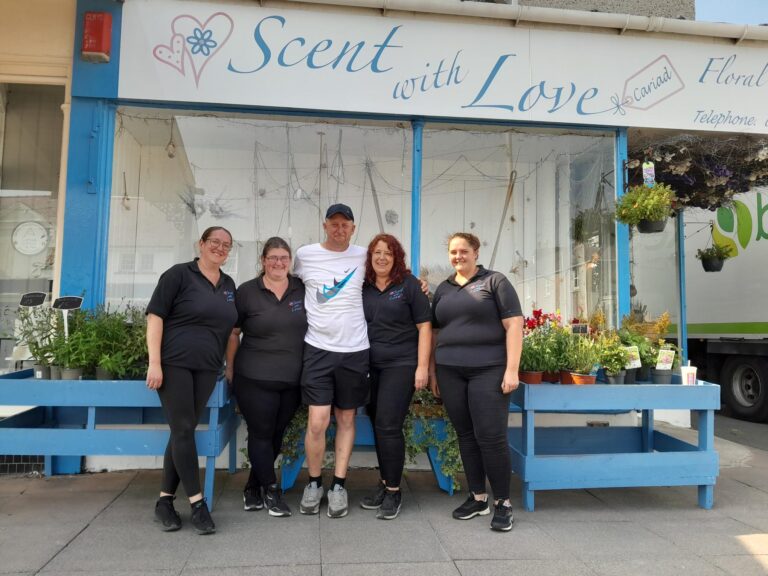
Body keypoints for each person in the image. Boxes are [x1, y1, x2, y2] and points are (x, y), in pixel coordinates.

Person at [146, 226, 238, 535]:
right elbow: (155, 317)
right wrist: (154, 363)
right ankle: (198, 504)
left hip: (207, 368)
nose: (220, 248)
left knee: (180, 431)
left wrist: (228, 366)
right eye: (214, 242)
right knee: (184, 429)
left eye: (226, 245)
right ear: (200, 244)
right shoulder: (178, 275)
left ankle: (164, 502)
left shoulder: (228, 284)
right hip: (175, 365)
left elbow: (229, 330)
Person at [430, 232, 523, 532]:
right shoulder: (442, 289)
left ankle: (503, 503)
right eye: (453, 252)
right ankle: (478, 497)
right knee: (465, 435)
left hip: (489, 369)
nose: (458, 257)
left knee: (491, 436)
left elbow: (514, 326)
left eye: (463, 251)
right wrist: (433, 372)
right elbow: (434, 333)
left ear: (476, 252)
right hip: (450, 370)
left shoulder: (495, 282)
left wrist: (512, 370)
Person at [293, 204, 369, 518]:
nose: (339, 229)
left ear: (353, 228)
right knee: (318, 421)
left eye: (345, 224)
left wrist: (419, 285)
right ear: (325, 225)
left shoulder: (364, 255)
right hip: (318, 349)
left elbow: (393, 273)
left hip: (355, 350)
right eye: (334, 224)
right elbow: (280, 276)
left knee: (347, 419)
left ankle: (338, 485)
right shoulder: (305, 255)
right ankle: (314, 483)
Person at [225, 237, 306, 518]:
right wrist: (231, 368)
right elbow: (234, 333)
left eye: (284, 257)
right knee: (260, 433)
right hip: (253, 377)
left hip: (292, 379)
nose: (279, 263)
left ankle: (251, 487)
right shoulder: (247, 291)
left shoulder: (302, 289)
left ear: (290, 261)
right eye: (273, 257)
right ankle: (272, 491)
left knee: (276, 434)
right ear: (263, 260)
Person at [359, 234, 431, 520]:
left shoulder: (410, 286)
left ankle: (393, 491)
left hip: (401, 365)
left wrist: (422, 367)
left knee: (388, 425)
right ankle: (386, 481)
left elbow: (425, 328)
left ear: (396, 257)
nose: (382, 257)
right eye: (377, 252)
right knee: (379, 426)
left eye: (388, 253)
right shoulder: (362, 286)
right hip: (368, 367)